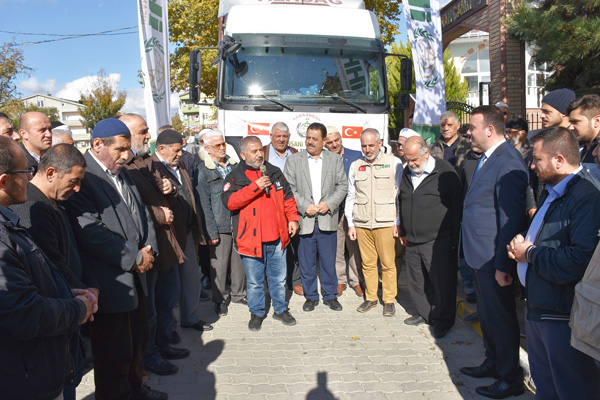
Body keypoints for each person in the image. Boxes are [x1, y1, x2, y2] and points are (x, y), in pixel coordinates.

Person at [64, 118, 167, 400]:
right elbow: (90, 232)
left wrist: (150, 250)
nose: (127, 155)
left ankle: (135, 389)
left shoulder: (121, 172)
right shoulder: (83, 178)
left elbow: (143, 213)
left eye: (128, 149)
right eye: (120, 149)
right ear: (98, 145)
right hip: (111, 281)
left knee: (137, 342)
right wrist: (134, 256)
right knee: (113, 353)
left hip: (138, 273)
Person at [0, 136, 96, 400]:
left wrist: (70, 291)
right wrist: (78, 307)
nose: (31, 177)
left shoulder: (10, 221)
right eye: (25, 171)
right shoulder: (26, 211)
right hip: (26, 376)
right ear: (4, 181)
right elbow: (25, 312)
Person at [508, 126, 600, 399]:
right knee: (546, 389)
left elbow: (578, 261)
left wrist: (531, 253)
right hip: (539, 308)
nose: (532, 165)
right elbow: (549, 240)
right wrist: (523, 245)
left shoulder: (586, 197)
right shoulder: (552, 189)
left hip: (562, 318)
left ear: (559, 160)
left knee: (571, 389)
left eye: (537, 159)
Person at [459, 105, 528, 399]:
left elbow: (511, 218)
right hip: (479, 253)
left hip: (493, 257)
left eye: (472, 127)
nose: (469, 132)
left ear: (489, 129)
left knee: (501, 320)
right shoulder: (488, 158)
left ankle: (509, 377)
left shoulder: (509, 162)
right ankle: (493, 362)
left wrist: (503, 265)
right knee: (487, 318)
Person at [122, 118, 194, 377]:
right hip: (148, 249)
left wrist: (171, 188)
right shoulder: (124, 168)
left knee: (167, 301)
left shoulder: (148, 162)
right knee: (150, 309)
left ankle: (163, 344)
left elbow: (170, 189)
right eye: (143, 132)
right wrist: (156, 214)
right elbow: (128, 207)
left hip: (168, 245)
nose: (148, 135)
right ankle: (150, 355)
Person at [222, 135, 300, 331]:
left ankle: (280, 309)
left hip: (277, 239)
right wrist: (254, 188)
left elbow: (288, 198)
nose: (259, 155)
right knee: (255, 283)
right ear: (242, 154)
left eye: (260, 151)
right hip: (251, 241)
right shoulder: (234, 177)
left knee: (279, 278)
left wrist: (292, 219)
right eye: (254, 151)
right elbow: (230, 202)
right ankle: (256, 313)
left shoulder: (274, 172)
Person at [399, 136, 462, 338]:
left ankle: (443, 321)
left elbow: (457, 207)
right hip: (412, 239)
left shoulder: (445, 172)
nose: (411, 164)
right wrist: (402, 230)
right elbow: (402, 200)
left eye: (414, 159)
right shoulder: (406, 172)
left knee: (442, 283)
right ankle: (424, 314)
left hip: (438, 239)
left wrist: (454, 239)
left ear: (426, 153)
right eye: (407, 159)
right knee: (416, 281)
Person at [151, 129, 212, 336]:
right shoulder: (151, 168)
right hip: (167, 235)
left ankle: (190, 317)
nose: (180, 154)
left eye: (181, 149)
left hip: (186, 230)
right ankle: (168, 328)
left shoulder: (181, 164)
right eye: (176, 150)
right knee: (169, 286)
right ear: (161, 149)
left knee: (190, 278)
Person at [284, 123, 347, 311]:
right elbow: (290, 188)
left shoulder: (334, 160)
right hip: (305, 219)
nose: (310, 142)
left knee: (329, 261)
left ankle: (330, 296)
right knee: (306, 262)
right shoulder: (294, 160)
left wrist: (328, 204)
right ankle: (310, 296)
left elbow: (342, 186)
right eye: (308, 138)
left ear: (324, 141)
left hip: (327, 218)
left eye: (315, 139)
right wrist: (305, 206)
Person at [346, 128, 402, 316]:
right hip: (362, 222)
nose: (368, 149)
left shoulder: (394, 163)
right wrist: (351, 223)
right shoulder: (355, 165)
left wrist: (398, 222)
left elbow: (399, 195)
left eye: (371, 145)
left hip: (385, 221)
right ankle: (371, 298)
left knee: (387, 263)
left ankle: (388, 300)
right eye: (364, 145)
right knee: (367, 263)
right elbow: (351, 196)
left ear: (380, 143)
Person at [197, 129, 246, 317]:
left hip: (238, 222)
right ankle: (220, 299)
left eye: (223, 143)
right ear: (207, 149)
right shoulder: (203, 171)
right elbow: (204, 204)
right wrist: (211, 232)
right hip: (219, 225)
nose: (222, 148)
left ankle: (238, 294)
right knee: (219, 265)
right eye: (217, 145)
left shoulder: (235, 166)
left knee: (239, 263)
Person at [262, 122, 302, 295]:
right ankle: (269, 284)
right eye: (277, 136)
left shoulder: (295, 153)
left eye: (284, 136)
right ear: (271, 136)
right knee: (273, 247)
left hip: (292, 203)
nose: (281, 139)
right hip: (271, 207)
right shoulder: (262, 153)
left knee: (293, 245)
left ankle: (294, 281)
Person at [324, 125, 364, 296]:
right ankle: (340, 280)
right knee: (337, 247)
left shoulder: (355, 156)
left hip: (353, 210)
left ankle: (356, 280)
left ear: (341, 138)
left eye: (336, 140)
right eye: (330, 142)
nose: (334, 144)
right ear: (325, 144)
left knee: (354, 247)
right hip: (334, 210)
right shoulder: (323, 159)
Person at [527, 89, 577, 218]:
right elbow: (531, 178)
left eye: (547, 112)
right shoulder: (540, 139)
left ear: (563, 114)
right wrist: (532, 207)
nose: (542, 116)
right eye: (542, 111)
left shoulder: (575, 142)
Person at [567, 94, 600, 164]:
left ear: (596, 121)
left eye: (575, 122)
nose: (571, 127)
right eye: (570, 122)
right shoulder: (577, 149)